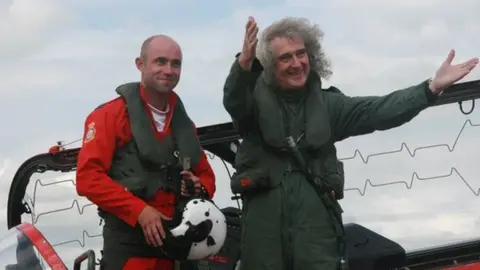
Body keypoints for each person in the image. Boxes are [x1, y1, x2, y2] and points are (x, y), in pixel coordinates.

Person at [223, 16, 478, 270]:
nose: (296, 63)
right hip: (262, 238)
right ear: (269, 66)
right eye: (285, 57)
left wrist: (430, 88)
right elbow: (234, 101)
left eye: (301, 53)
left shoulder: (330, 107)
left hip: (316, 238)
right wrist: (243, 64)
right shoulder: (252, 108)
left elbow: (378, 110)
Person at [76, 34, 216, 270]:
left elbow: (206, 176)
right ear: (140, 65)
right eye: (160, 61)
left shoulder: (185, 127)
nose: (169, 70)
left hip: (178, 250)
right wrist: (140, 211)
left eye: (176, 63)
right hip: (130, 249)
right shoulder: (109, 116)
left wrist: (197, 186)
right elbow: (88, 178)